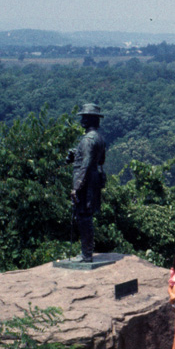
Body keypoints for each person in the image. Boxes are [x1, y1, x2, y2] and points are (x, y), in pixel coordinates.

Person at [66, 103, 107, 262]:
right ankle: (86, 253)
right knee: (85, 216)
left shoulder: (88, 139)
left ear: (91, 119)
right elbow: (100, 160)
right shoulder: (99, 138)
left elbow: (87, 163)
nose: (82, 119)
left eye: (85, 117)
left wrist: (77, 187)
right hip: (92, 179)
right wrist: (77, 154)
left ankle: (86, 254)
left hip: (86, 182)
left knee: (83, 217)